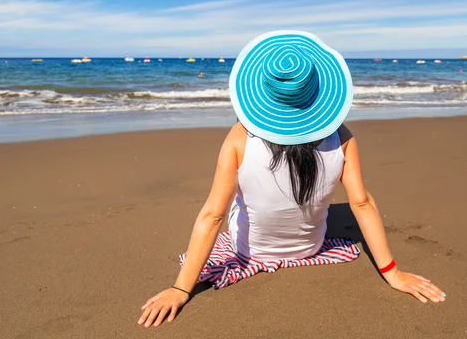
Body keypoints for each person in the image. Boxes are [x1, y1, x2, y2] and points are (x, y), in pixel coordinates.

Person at [138, 31, 445, 328]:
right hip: (311, 248)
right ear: (318, 91)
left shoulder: (239, 138)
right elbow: (362, 203)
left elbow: (213, 214)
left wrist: (180, 289)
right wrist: (392, 273)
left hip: (250, 252)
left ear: (263, 93)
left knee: (233, 200)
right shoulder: (342, 138)